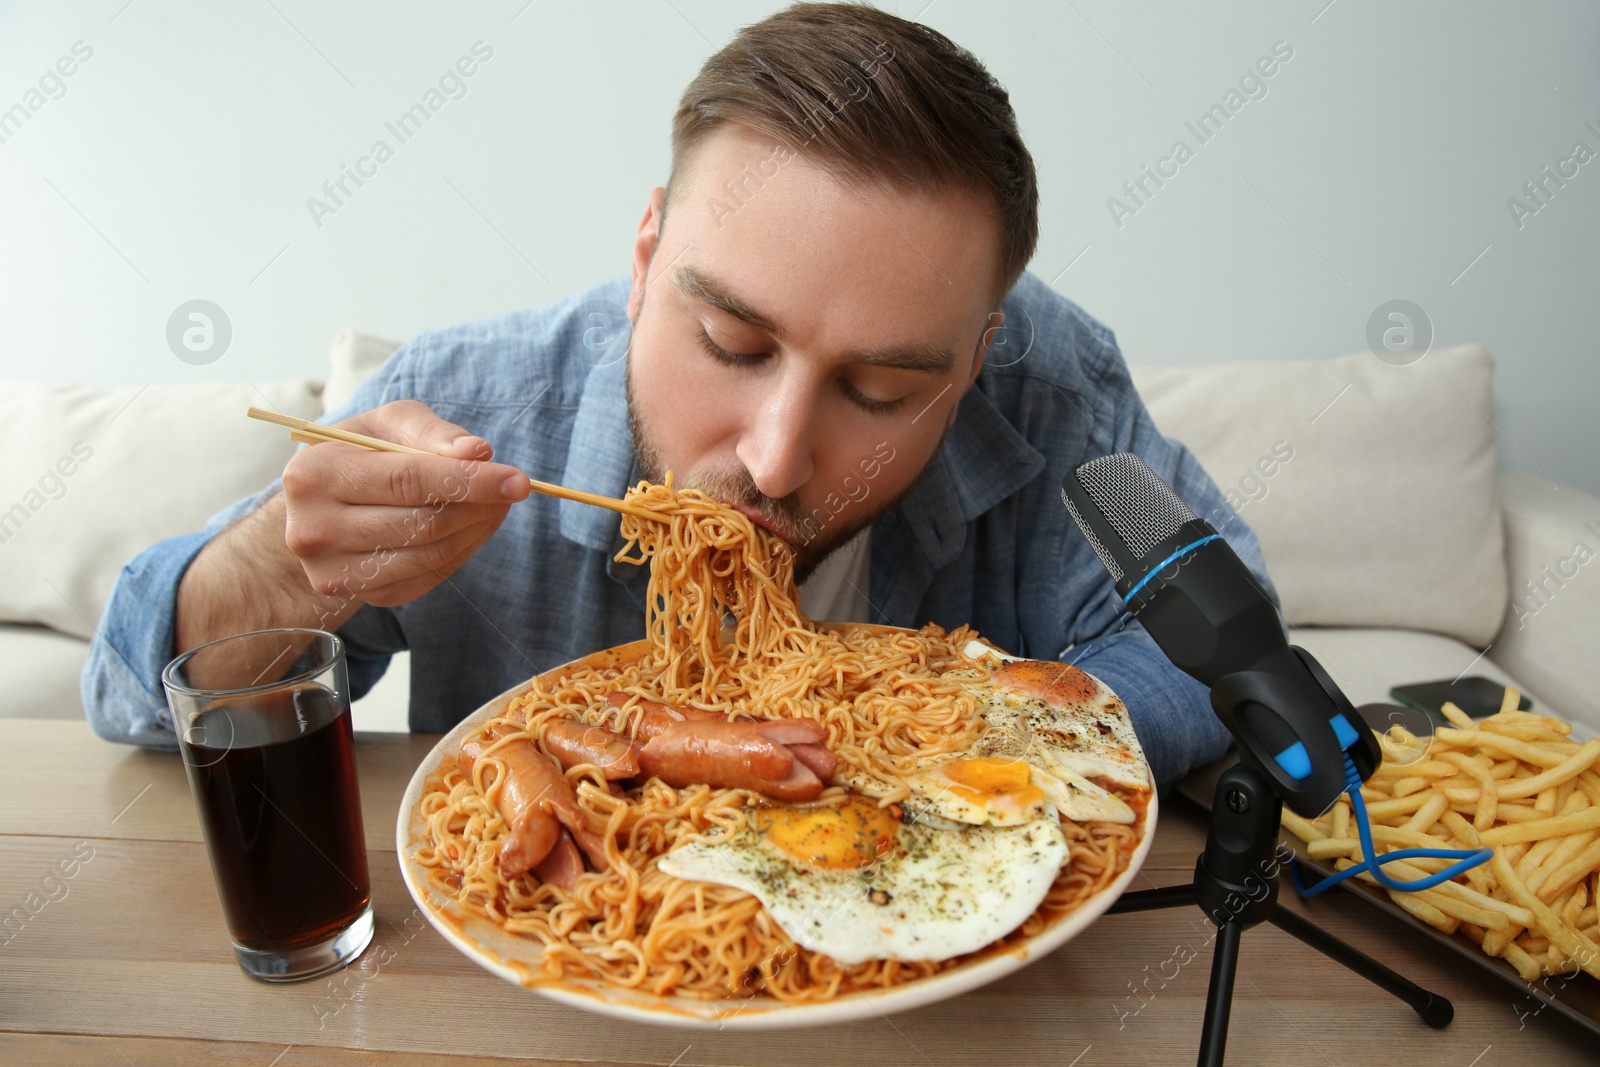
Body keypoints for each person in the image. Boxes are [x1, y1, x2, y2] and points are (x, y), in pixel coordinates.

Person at [83, 2, 1274, 789]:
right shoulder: (468, 396)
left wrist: (975, 726)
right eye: (730, 341)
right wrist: (278, 572)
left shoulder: (1048, 386)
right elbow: (128, 700)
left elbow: (1226, 647)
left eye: (880, 387)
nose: (773, 457)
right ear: (647, 254)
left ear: (974, 359)